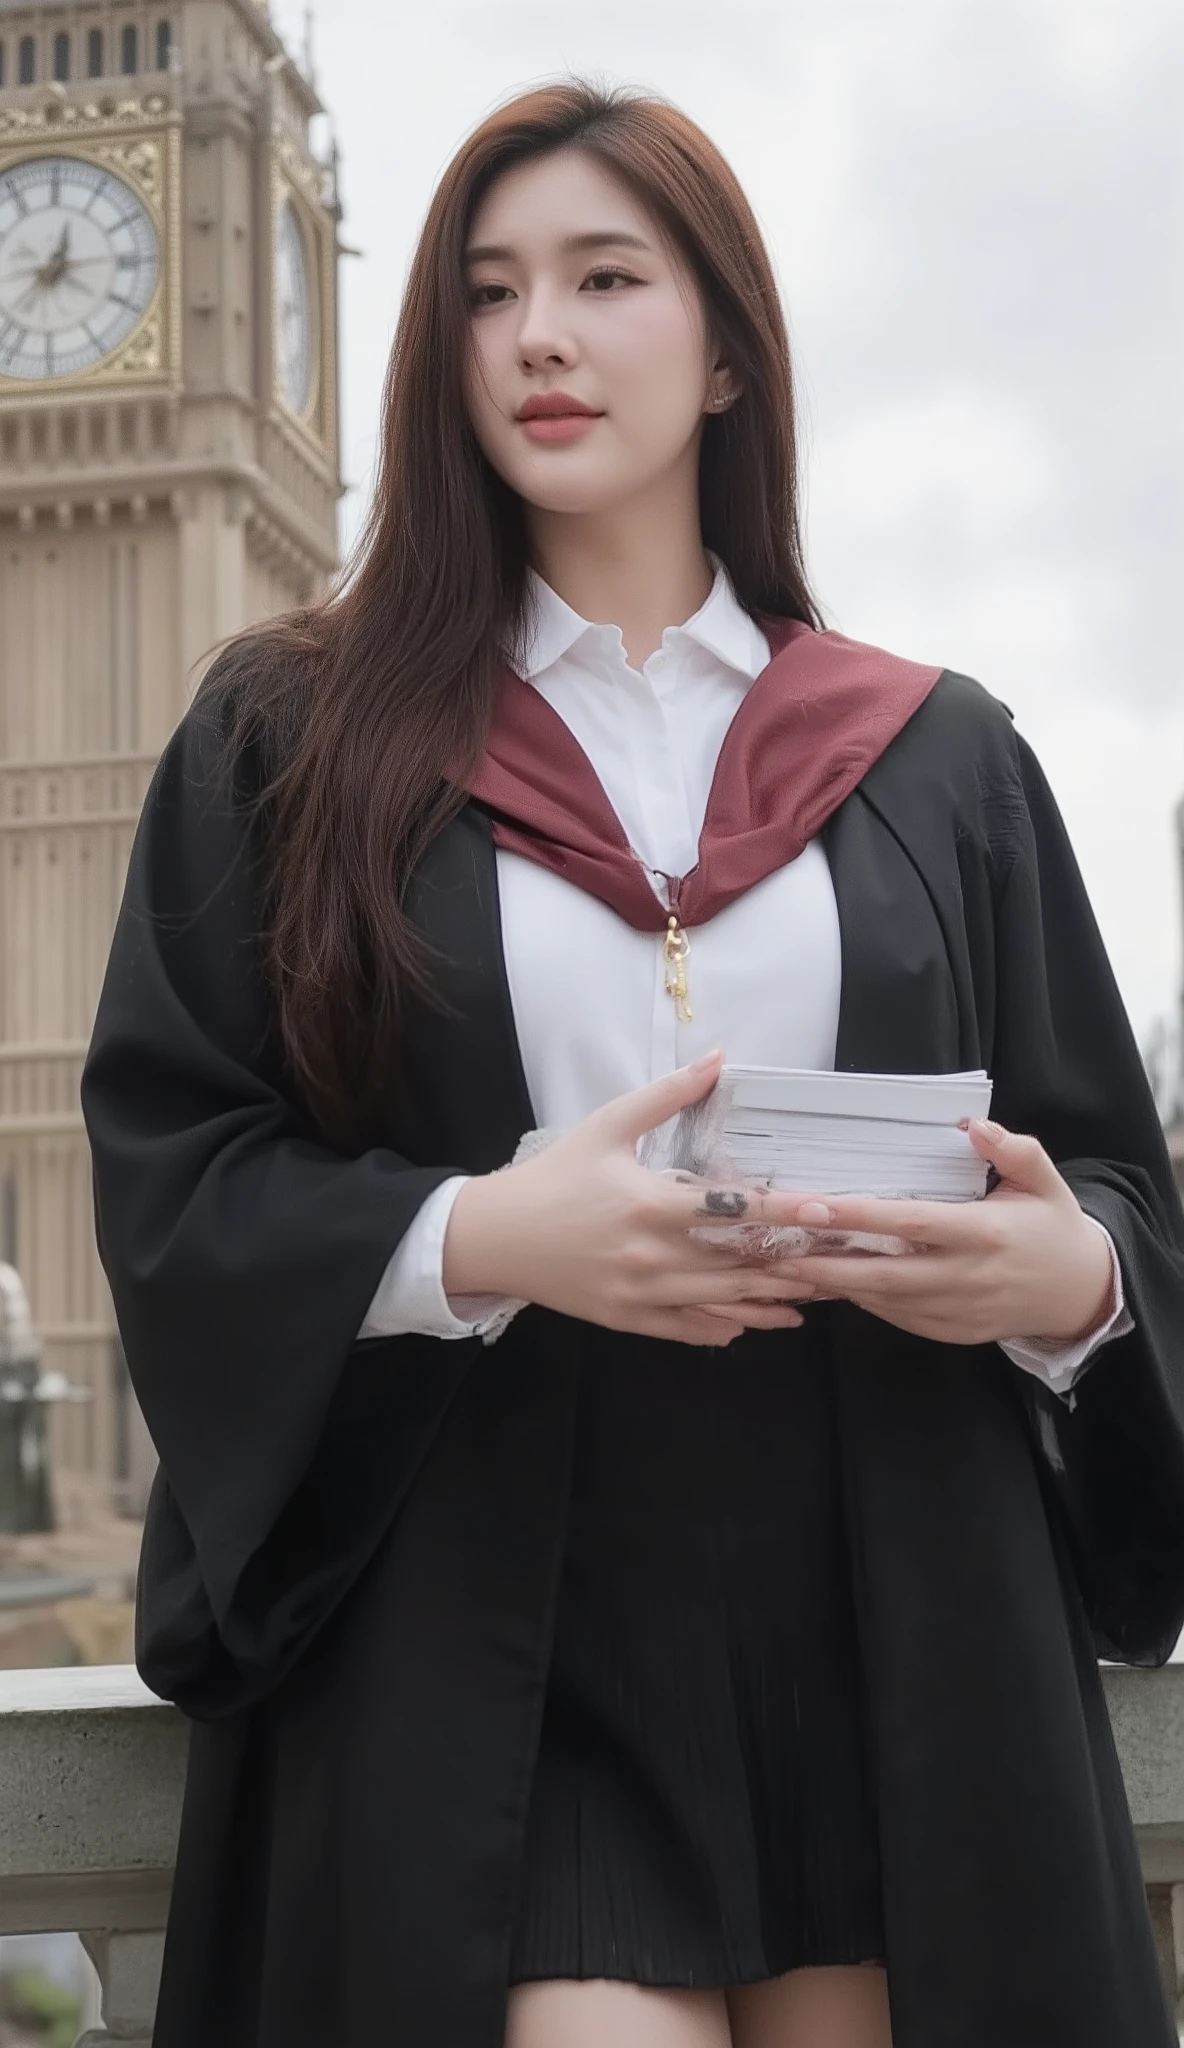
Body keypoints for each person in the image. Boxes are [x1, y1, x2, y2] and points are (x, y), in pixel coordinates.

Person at [79, 79, 1184, 2048]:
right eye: (488, 293)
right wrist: (484, 1235)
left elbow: (1112, 1188)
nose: (540, 338)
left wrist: (1067, 1282)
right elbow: (181, 1174)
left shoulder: (939, 761)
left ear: (730, 352)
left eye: (604, 278)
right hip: (504, 1644)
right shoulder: (294, 742)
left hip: (893, 1626)